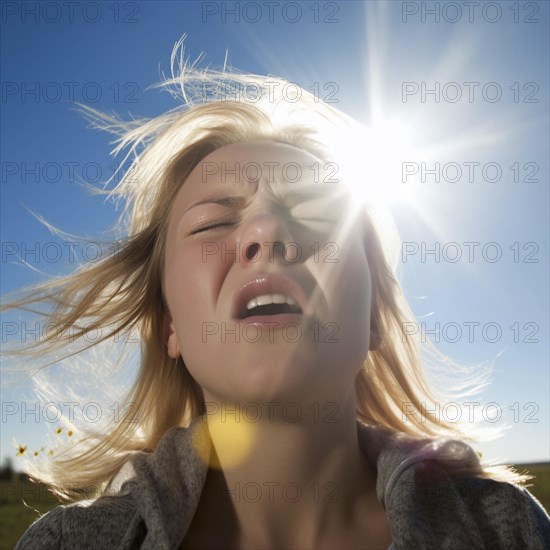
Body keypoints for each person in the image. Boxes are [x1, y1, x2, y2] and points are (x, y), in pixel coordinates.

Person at [6, 42, 550, 549]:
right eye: (213, 223)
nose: (266, 233)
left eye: (316, 218)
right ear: (168, 322)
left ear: (374, 316)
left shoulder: (509, 530)